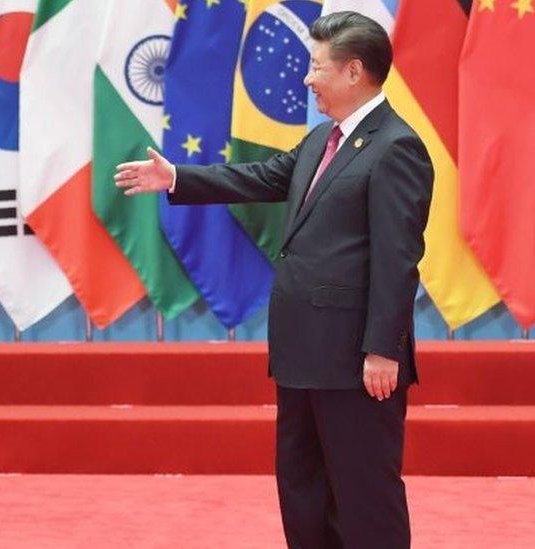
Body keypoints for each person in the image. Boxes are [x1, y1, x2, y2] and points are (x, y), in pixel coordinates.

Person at [115, 12, 433, 549]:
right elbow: (264, 177)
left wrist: (383, 349)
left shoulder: (396, 147)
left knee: (363, 494)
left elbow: (397, 258)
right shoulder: (320, 140)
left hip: (355, 360)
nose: (307, 79)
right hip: (302, 354)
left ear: (354, 71)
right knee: (303, 488)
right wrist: (178, 177)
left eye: (316, 67)